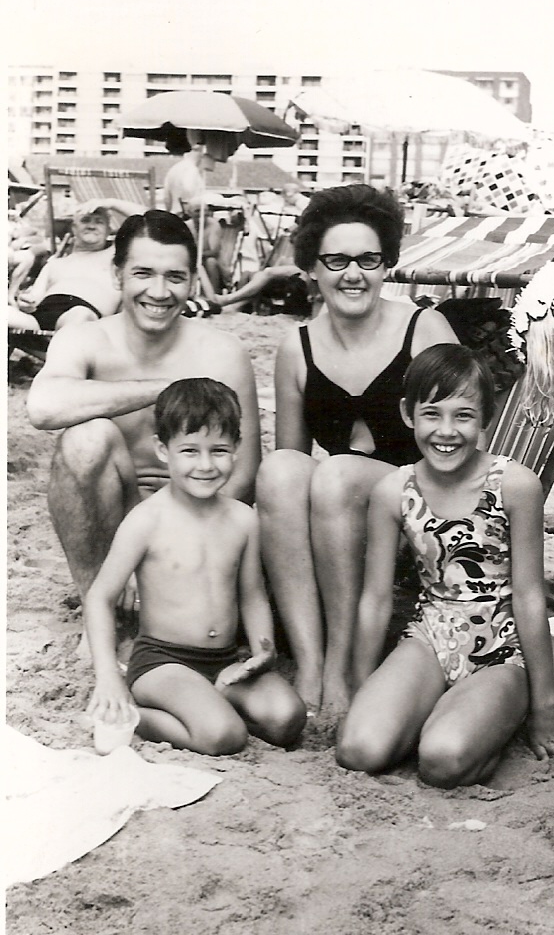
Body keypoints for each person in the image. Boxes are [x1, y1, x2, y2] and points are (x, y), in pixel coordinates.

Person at [336, 345, 554, 786]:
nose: (446, 431)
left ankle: (487, 723)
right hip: (430, 639)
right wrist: (361, 687)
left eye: (464, 415)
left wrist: (545, 708)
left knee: (441, 759)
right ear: (408, 413)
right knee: (359, 750)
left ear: (486, 417)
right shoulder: (394, 491)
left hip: (501, 651)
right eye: (432, 414)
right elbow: (375, 600)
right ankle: (446, 715)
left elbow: (530, 598)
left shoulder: (515, 485)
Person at [255, 184, 457, 714]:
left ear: (386, 263)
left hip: (421, 501)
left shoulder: (423, 329)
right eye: (337, 260)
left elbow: (459, 445)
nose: (354, 274)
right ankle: (310, 658)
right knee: (278, 470)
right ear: (311, 268)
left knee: (339, 473)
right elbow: (291, 467)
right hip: (340, 505)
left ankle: (342, 666)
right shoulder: (296, 349)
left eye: (369, 259)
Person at [27, 209, 261, 657]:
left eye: (175, 277)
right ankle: (101, 614)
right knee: (86, 438)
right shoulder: (86, 339)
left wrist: (161, 534)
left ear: (192, 281)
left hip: (196, 517)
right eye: (143, 273)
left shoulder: (221, 352)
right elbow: (42, 407)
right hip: (110, 520)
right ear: (117, 274)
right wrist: (167, 388)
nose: (159, 291)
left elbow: (244, 474)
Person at [84, 377, 306, 755]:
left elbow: (252, 595)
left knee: (288, 718)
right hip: (163, 662)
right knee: (223, 735)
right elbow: (100, 597)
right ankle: (136, 716)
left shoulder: (243, 519)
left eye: (219, 450)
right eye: (189, 451)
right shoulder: (147, 520)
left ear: (237, 448)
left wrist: (261, 651)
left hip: (225, 661)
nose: (205, 465)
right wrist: (108, 677)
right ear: (162, 449)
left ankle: (208, 707)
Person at [16, 199, 143, 330]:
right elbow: (34, 298)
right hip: (40, 319)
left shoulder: (115, 255)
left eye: (99, 222)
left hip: (83, 317)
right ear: (74, 228)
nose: (92, 226)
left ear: (108, 230)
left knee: (80, 314)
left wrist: (110, 203)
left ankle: (63, 340)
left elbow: (147, 221)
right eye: (85, 220)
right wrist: (27, 303)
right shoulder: (54, 264)